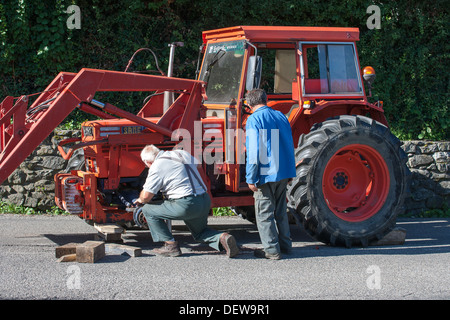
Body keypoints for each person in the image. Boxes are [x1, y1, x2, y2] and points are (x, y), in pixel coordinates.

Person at [134, 145, 239, 258]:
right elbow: (199, 166)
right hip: (203, 199)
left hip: (186, 204)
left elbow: (146, 197)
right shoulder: (181, 153)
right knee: (200, 233)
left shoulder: (157, 165)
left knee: (147, 210)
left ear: (147, 161)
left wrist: (139, 199)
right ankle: (222, 237)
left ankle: (170, 246)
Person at [245, 89, 296, 260]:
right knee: (281, 211)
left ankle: (272, 251)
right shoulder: (281, 116)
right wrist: (290, 170)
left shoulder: (254, 119)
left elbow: (254, 151)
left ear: (248, 104)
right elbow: (288, 142)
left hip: (265, 174)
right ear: (266, 100)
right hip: (283, 171)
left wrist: (251, 178)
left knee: (264, 213)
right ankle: (286, 246)